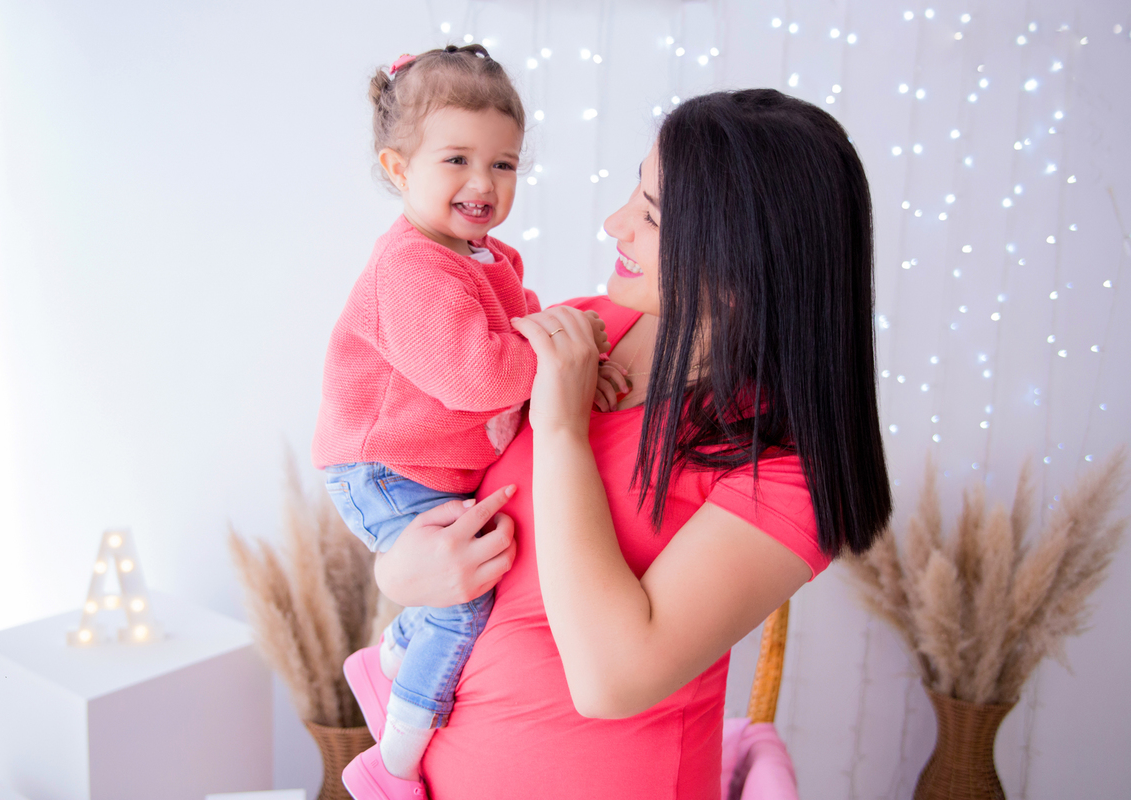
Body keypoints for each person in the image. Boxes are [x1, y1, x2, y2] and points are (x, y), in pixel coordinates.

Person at [364, 89, 893, 799]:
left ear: (742, 259)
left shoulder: (786, 469)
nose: (616, 224)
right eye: (634, 193)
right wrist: (399, 574)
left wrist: (559, 431)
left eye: (650, 214)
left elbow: (612, 679)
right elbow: (436, 502)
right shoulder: (584, 331)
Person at [310, 45, 615, 799]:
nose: (482, 183)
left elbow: (519, 338)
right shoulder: (411, 269)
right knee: (464, 593)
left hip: (421, 464)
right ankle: (400, 751)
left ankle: (392, 657)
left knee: (473, 567)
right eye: (456, 160)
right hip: (382, 466)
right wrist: (560, 355)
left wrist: (571, 361)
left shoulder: (484, 256)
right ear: (397, 167)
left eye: (504, 164)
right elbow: (480, 375)